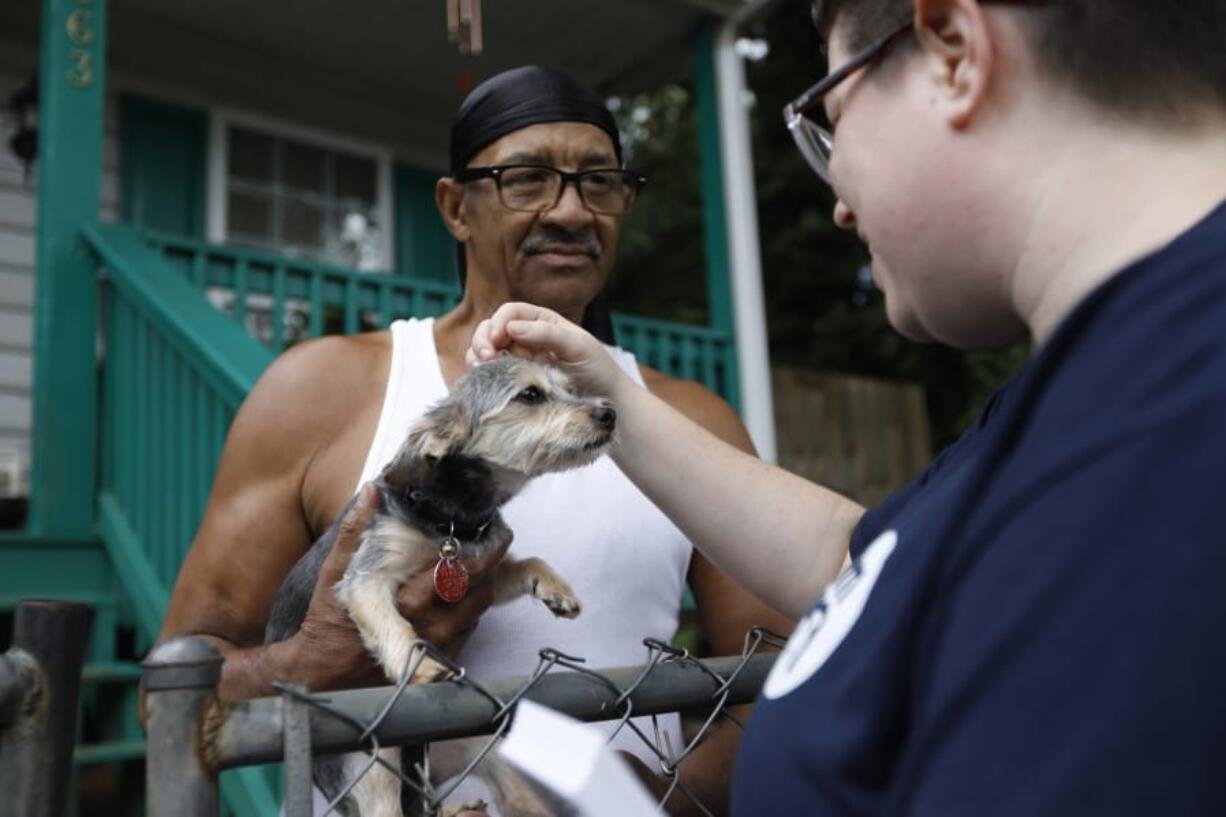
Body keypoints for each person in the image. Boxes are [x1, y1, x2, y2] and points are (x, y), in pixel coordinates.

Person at [468, 0, 1226, 813]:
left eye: (828, 121)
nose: (838, 201)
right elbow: (856, 559)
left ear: (953, 50)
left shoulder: (1176, 423)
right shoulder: (1116, 380)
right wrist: (611, 393)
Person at [154, 65, 790, 815]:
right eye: (527, 179)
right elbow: (171, 691)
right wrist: (313, 657)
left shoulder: (692, 420)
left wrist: (634, 799)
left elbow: (784, 672)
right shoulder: (319, 393)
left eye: (599, 181)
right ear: (456, 207)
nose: (572, 210)